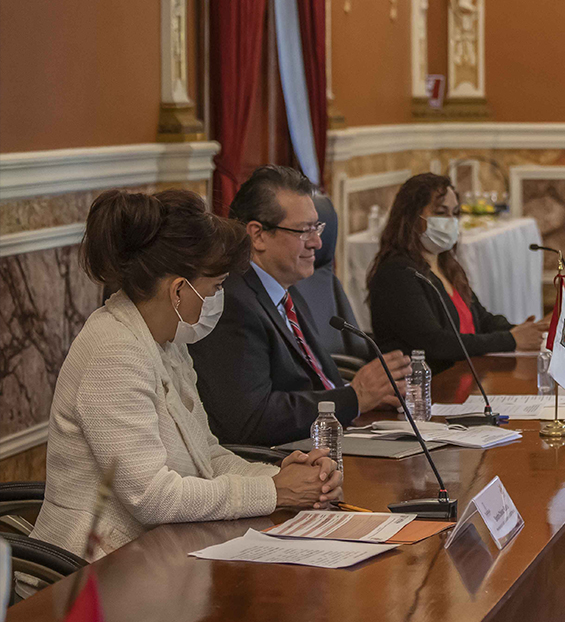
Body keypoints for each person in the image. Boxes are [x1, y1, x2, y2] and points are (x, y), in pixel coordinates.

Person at [30, 190, 342, 558]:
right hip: (97, 571)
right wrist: (276, 492)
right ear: (179, 290)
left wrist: (283, 479)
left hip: (163, 554)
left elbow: (206, 456)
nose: (218, 298)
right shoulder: (113, 351)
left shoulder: (168, 340)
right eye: (216, 287)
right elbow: (153, 497)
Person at [191, 166, 411, 447]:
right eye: (303, 231)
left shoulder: (287, 291)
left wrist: (368, 396)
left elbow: (317, 383)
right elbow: (250, 418)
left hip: (328, 440)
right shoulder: (232, 303)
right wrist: (353, 398)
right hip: (284, 462)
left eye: (317, 228)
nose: (317, 242)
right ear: (257, 235)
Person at [367, 173, 547, 374]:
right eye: (441, 213)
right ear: (412, 218)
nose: (451, 221)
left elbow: (482, 319)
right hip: (428, 387)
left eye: (455, 213)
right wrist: (511, 340)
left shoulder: (446, 265)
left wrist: (530, 332)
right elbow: (436, 343)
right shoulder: (396, 275)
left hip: (467, 376)